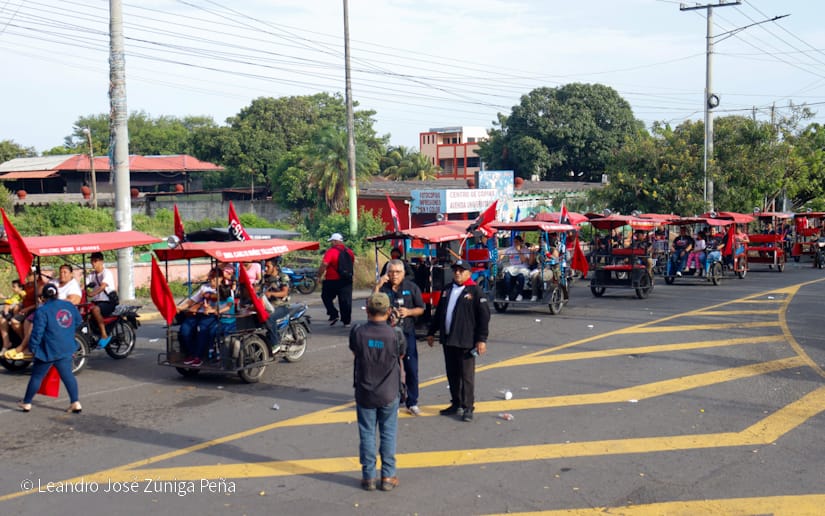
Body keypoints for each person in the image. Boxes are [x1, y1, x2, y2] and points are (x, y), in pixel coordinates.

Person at [350, 292, 404, 492]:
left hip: (365, 390)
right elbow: (401, 353)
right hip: (389, 391)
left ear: (368, 311)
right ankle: (388, 476)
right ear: (388, 311)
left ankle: (368, 477)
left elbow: (355, 351)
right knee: (388, 433)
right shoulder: (395, 333)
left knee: (366, 433)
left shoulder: (357, 331)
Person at [426, 259, 490, 422]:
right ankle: (456, 403)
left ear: (469, 273)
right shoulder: (448, 289)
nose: (457, 273)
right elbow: (440, 311)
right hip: (449, 339)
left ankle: (468, 407)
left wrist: (481, 340)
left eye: (461, 271)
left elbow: (484, 317)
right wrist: (432, 332)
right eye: (455, 270)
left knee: (466, 376)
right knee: (452, 374)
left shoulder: (475, 291)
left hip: (466, 340)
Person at [16, 283, 83, 413]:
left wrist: (33, 347)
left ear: (43, 298)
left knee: (37, 376)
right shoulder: (68, 305)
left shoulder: (42, 310)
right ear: (57, 294)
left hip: (48, 348)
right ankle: (75, 402)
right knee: (68, 375)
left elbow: (37, 332)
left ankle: (27, 402)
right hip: (66, 346)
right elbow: (78, 321)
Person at [374, 258, 426, 416]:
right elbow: (372, 305)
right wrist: (377, 285)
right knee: (389, 369)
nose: (394, 275)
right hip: (387, 334)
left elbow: (421, 309)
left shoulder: (411, 287)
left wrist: (408, 312)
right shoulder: (382, 288)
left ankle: (412, 401)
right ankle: (392, 401)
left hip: (407, 333)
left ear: (403, 273)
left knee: (411, 367)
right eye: (391, 272)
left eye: (397, 272)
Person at [176, 268, 219, 367]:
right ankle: (192, 353)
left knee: (201, 329)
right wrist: (181, 307)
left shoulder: (223, 289)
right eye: (210, 276)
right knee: (184, 329)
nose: (211, 278)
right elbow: (192, 300)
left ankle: (198, 356)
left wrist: (211, 309)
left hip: (211, 315)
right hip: (198, 314)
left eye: (213, 276)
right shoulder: (204, 287)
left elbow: (225, 305)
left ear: (220, 278)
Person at [318, 233, 355, 327]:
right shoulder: (349, 252)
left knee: (326, 297)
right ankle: (347, 322)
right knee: (345, 301)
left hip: (332, 280)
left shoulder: (331, 252)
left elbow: (324, 264)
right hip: (346, 280)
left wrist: (319, 276)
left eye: (331, 241)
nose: (331, 243)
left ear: (335, 241)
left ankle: (333, 314)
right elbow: (351, 263)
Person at [86, 252, 116, 347]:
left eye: (95, 261)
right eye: (92, 261)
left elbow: (103, 286)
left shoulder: (106, 273)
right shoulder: (92, 275)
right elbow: (84, 285)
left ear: (101, 261)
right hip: (97, 301)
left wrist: (92, 293)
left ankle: (104, 335)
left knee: (95, 309)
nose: (93, 263)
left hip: (108, 301)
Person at [501, 235, 531, 301]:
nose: (515, 244)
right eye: (514, 242)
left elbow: (523, 260)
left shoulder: (525, 250)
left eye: (517, 242)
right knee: (506, 276)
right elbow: (502, 253)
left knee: (521, 277)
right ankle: (507, 294)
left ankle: (520, 294)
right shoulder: (510, 249)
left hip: (522, 268)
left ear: (520, 242)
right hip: (512, 268)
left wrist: (519, 251)